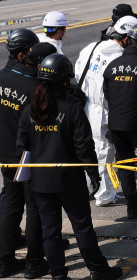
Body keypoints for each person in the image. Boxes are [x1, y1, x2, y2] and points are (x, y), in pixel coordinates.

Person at [16, 54, 122, 280]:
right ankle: (98, 270)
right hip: (70, 182)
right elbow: (84, 147)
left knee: (50, 231)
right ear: (65, 81)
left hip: (40, 183)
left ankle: (58, 275)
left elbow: (22, 148)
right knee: (82, 227)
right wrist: (94, 176)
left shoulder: (30, 111)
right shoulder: (72, 110)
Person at [0, 43, 57, 279]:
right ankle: (34, 261)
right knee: (34, 207)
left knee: (12, 204)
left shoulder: (3, 77)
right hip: (27, 156)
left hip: (5, 154)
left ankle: (4, 261)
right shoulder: (36, 88)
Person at [75, 15, 137, 208]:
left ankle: (93, 184)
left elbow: (78, 72)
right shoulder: (120, 57)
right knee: (103, 151)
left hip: (84, 105)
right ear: (127, 39)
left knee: (88, 148)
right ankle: (104, 195)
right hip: (103, 109)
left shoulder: (91, 47)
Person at [103, 23, 137, 219]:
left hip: (116, 124)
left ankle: (132, 207)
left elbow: (107, 94)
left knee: (125, 165)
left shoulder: (112, 65)